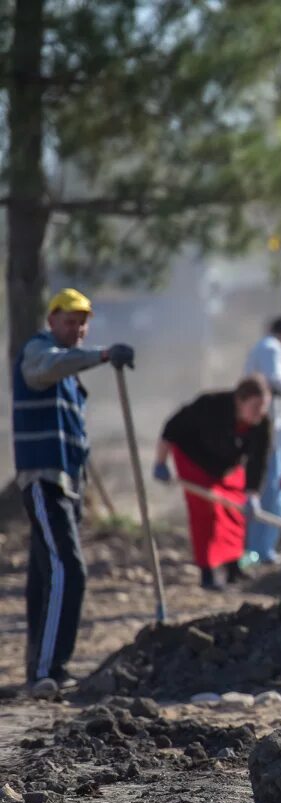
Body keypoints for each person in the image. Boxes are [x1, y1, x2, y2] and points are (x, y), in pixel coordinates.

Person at [12, 288, 134, 698]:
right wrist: (102, 355)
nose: (77, 328)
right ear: (52, 320)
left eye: (83, 322)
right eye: (69, 320)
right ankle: (50, 670)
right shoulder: (39, 352)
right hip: (43, 480)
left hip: (65, 486)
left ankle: (39, 668)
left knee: (45, 575)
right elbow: (45, 369)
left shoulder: (69, 377)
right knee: (70, 570)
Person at [154, 375, 272, 590]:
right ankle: (207, 573)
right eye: (255, 406)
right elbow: (172, 428)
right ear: (240, 401)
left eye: (263, 407)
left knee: (235, 511)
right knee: (206, 513)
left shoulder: (262, 423)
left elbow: (258, 460)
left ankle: (232, 568)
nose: (260, 412)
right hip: (194, 460)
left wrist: (252, 494)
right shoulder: (209, 405)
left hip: (226, 467)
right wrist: (161, 462)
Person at [242, 315, 281, 566]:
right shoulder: (271, 348)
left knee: (269, 492)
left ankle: (258, 549)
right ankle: (259, 551)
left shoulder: (268, 348)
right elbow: (275, 382)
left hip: (271, 431)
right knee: (270, 493)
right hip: (266, 433)